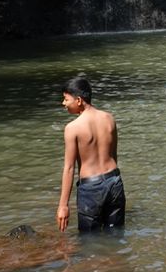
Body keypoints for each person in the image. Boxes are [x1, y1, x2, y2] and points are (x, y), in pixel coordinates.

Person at [56, 76, 126, 233]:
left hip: (91, 188)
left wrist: (63, 206)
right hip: (115, 182)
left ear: (79, 100)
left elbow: (68, 169)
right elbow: (114, 155)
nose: (63, 104)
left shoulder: (72, 128)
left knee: (89, 241)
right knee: (116, 235)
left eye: (66, 99)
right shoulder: (109, 119)